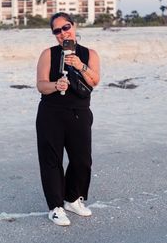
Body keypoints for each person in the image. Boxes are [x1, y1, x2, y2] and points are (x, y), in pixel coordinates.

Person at [36, 12, 100, 226]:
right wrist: (56, 86)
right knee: (51, 161)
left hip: (79, 113)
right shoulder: (48, 54)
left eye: (66, 27)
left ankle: (73, 198)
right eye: (56, 31)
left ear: (73, 26)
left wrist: (80, 65)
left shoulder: (89, 54)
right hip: (51, 113)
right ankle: (55, 207)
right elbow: (41, 85)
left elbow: (95, 80)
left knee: (82, 160)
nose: (62, 33)